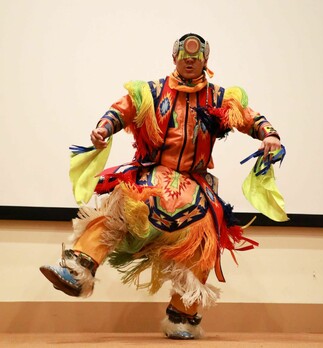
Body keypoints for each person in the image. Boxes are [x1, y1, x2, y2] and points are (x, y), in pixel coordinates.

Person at [40, 33, 283, 340]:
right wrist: (102, 128)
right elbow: (122, 110)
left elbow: (249, 118)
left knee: (204, 241)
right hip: (151, 177)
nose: (190, 63)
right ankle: (76, 270)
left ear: (206, 62)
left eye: (196, 59)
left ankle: (183, 316)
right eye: (185, 58)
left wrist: (269, 135)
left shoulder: (220, 98)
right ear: (174, 59)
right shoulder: (152, 92)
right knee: (119, 210)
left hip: (193, 187)